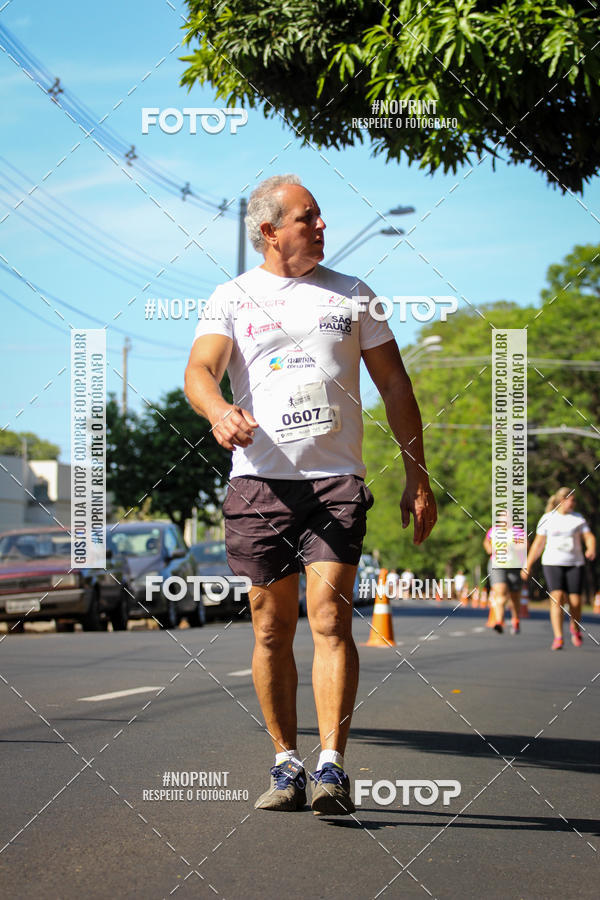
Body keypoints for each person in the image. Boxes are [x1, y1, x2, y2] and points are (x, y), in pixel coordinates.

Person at [184, 174, 437, 815]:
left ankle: (330, 764)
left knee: (328, 619)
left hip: (334, 482)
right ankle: (285, 763)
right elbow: (199, 370)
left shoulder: (355, 296)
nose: (322, 227)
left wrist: (418, 475)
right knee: (271, 628)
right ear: (270, 231)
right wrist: (217, 411)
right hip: (259, 482)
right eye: (309, 218)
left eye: (321, 217)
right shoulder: (232, 297)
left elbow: (397, 387)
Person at [522, 487, 595, 650]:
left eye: (575, 500)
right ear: (562, 500)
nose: (573, 503)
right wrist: (527, 564)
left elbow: (588, 537)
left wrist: (591, 548)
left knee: (575, 601)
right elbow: (538, 544)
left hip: (575, 563)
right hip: (552, 562)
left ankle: (575, 628)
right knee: (557, 597)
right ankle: (558, 637)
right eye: (571, 499)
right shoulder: (548, 518)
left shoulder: (578, 519)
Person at [483, 513, 526, 635]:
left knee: (514, 596)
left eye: (507, 517)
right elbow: (486, 542)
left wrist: (512, 546)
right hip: (497, 564)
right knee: (500, 591)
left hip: (513, 566)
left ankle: (516, 619)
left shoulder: (517, 531)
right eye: (502, 517)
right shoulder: (494, 531)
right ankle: (499, 621)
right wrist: (489, 548)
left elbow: (524, 545)